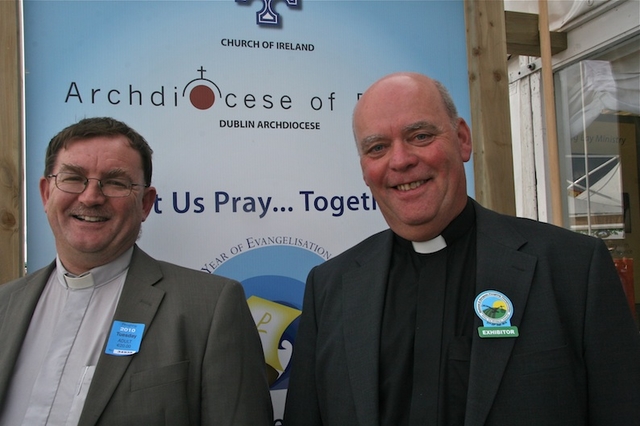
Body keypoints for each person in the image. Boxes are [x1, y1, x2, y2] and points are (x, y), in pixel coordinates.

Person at [283, 72, 640, 425]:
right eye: (377, 148)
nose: (400, 160)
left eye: (420, 136)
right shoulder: (329, 288)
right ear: (364, 168)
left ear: (462, 139)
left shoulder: (574, 269)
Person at [0, 117, 273, 425]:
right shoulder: (5, 305)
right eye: (73, 178)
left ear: (145, 203)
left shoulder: (210, 309)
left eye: (116, 182)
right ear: (46, 193)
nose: (91, 197)